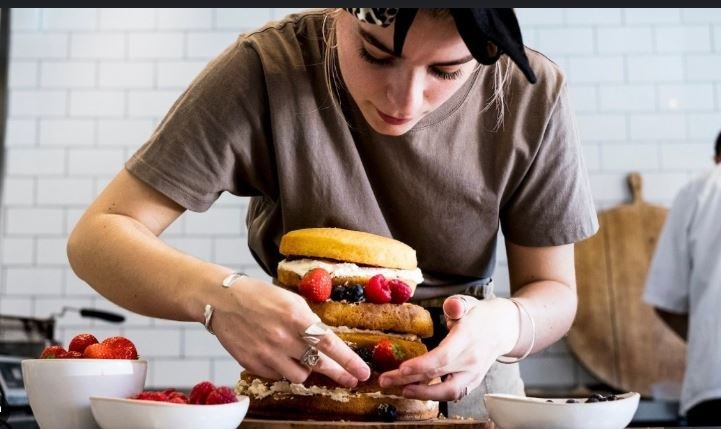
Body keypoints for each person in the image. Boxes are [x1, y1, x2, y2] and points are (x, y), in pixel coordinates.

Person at [67, 8, 598, 418]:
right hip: (301, 379)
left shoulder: (532, 92)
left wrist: (506, 324)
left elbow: (555, 291)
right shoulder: (267, 69)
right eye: (375, 54)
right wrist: (217, 298)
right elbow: (98, 237)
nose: (405, 100)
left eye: (446, 70)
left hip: (470, 383)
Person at [643, 131, 721, 427]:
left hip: (713, 383)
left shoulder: (700, 191)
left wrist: (706, 338)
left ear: (716, 157)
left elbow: (665, 300)